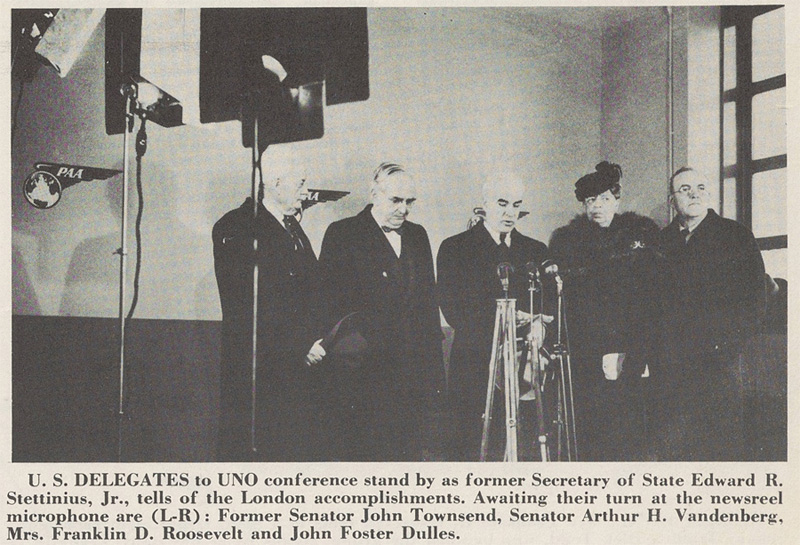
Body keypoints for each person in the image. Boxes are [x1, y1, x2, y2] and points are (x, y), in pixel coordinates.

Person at [318, 162, 444, 461]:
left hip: (411, 378)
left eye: (409, 201)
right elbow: (327, 303)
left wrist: (434, 379)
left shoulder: (418, 235)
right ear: (374, 194)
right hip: (364, 379)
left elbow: (428, 306)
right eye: (396, 200)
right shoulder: (343, 233)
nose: (404, 209)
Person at [548, 161, 661, 461]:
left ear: (617, 201)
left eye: (605, 199)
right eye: (590, 201)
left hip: (632, 348)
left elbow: (652, 299)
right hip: (586, 350)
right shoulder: (567, 242)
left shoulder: (642, 236)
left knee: (630, 430)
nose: (597, 207)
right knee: (591, 430)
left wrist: (637, 352)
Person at [212, 171, 327, 462]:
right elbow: (249, 304)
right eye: (300, 181)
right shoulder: (238, 226)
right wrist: (301, 345)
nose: (306, 190)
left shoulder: (291, 228)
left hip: (294, 371)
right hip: (262, 373)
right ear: (274, 184)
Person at [437, 174, 551, 461]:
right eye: (501, 203)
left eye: (516, 205)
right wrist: (510, 318)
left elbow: (547, 305)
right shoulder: (455, 248)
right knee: (471, 450)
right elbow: (454, 310)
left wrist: (538, 322)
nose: (509, 212)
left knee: (522, 449)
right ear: (484, 204)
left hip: (524, 371)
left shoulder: (535, 251)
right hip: (475, 366)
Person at [656, 166, 766, 460]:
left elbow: (756, 299)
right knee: (675, 452)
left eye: (701, 187)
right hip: (672, 368)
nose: (694, 194)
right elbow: (651, 305)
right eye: (685, 189)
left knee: (719, 450)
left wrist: (727, 345)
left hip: (719, 365)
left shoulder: (735, 236)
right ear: (671, 201)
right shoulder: (661, 243)